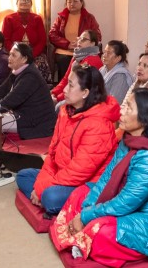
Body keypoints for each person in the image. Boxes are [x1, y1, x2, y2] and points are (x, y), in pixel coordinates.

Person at [50, 89, 148, 265]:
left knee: (102, 231)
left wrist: (85, 217)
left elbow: (126, 202)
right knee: (80, 193)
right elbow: (107, 178)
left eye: (129, 108)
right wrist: (88, 208)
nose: (121, 111)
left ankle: (83, 235)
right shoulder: (129, 140)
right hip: (126, 208)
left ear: (146, 119)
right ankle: (82, 236)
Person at [16, 65, 120, 215]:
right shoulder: (66, 112)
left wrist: (41, 189)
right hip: (62, 174)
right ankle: (48, 202)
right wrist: (41, 184)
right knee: (23, 176)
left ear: (85, 93)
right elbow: (52, 154)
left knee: (50, 197)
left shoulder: (99, 125)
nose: (64, 90)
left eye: (70, 85)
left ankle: (48, 202)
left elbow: (80, 171)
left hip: (89, 183)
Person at [0, 42, 57, 140]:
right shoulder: (18, 71)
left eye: (13, 55)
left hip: (36, 122)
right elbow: (0, 91)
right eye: (10, 54)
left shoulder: (31, 76)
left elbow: (10, 101)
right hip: (23, 115)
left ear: (24, 59)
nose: (9, 57)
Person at [49, 0, 102, 81]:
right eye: (69, 2)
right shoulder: (60, 18)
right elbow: (52, 34)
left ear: (81, 3)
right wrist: (67, 44)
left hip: (83, 50)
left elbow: (97, 36)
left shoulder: (89, 18)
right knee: (63, 59)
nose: (72, 4)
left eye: (75, 1)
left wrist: (81, 43)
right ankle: (65, 85)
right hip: (64, 50)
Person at [1, 0, 51, 83]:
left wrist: (31, 54)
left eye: (27, 0)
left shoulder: (37, 18)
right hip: (14, 52)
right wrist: (15, 53)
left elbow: (42, 40)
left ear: (31, 4)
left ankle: (38, 90)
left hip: (34, 53)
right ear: (17, 2)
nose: (24, 2)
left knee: (40, 64)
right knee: (6, 63)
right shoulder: (8, 18)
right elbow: (5, 39)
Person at [51, 30, 104, 104]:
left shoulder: (92, 59)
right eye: (79, 38)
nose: (79, 41)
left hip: (85, 98)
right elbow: (66, 79)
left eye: (83, 39)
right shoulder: (77, 57)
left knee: (56, 106)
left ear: (92, 43)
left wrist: (57, 98)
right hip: (72, 93)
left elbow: (78, 87)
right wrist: (53, 93)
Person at [100, 40, 134, 105]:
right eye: (105, 52)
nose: (104, 55)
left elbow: (115, 103)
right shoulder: (102, 69)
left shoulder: (120, 76)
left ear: (118, 58)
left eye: (109, 53)